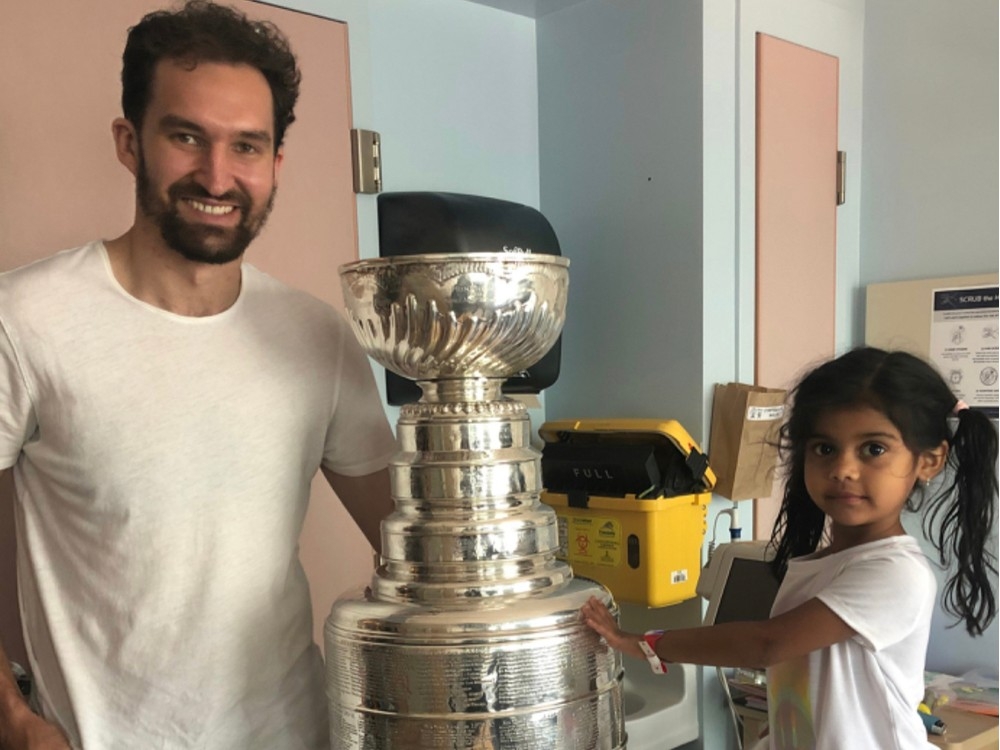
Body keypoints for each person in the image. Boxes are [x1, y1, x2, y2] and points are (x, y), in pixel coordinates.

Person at [0, 2, 397, 748]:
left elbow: (405, 540)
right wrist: (11, 720)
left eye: (248, 146)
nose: (218, 175)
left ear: (277, 162)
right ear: (130, 142)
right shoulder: (22, 321)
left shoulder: (316, 337)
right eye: (187, 137)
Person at [582, 346, 998, 750]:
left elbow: (768, 645)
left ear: (928, 461)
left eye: (874, 449)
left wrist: (640, 643)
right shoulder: (819, 564)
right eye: (825, 448)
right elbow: (805, 680)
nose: (843, 469)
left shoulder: (895, 571)